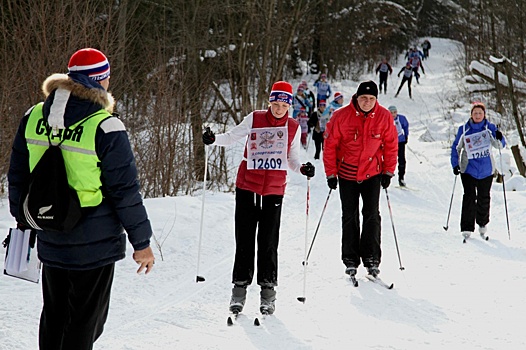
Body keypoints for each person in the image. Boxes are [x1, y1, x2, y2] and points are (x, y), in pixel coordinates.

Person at [7, 48, 155, 350]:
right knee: (86, 322)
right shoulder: (105, 125)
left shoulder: (34, 116)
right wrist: (142, 243)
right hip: (94, 242)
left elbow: (18, 174)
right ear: (102, 80)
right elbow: (125, 191)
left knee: (55, 315)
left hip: (49, 232)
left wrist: (24, 220)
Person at [202, 81, 315, 315]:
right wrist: (213, 139)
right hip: (248, 186)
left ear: (289, 105)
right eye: (275, 103)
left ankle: (268, 293)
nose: (279, 108)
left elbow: (292, 159)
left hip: (274, 189)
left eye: (284, 104)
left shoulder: (292, 127)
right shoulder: (255, 118)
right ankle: (239, 291)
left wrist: (303, 168)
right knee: (244, 238)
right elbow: (232, 137)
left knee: (268, 241)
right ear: (270, 102)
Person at [323, 80, 397, 278]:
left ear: (376, 99)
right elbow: (330, 145)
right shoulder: (341, 116)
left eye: (371, 98)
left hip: (372, 172)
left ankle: (372, 258)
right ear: (356, 97)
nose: (367, 102)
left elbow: (391, 144)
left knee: (372, 214)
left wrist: (389, 171)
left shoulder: (384, 116)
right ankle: (350, 259)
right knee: (350, 216)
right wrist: (331, 173)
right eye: (364, 98)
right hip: (347, 173)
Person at [450, 102, 506, 240]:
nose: (477, 115)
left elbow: (499, 145)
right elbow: (456, 148)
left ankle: (482, 224)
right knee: (469, 197)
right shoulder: (464, 129)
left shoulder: (490, 128)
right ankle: (467, 228)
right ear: (471, 115)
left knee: (484, 197)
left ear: (484, 115)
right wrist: (455, 165)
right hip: (468, 169)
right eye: (475, 113)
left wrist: (500, 137)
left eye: (480, 113)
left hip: (486, 170)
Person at [388, 105, 409, 186]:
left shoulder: (401, 118)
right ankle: (386, 177)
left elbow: (406, 127)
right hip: (390, 142)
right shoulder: (386, 119)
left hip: (400, 141)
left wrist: (406, 136)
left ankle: (401, 178)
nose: (393, 114)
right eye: (391, 113)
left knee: (402, 159)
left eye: (394, 112)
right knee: (389, 159)